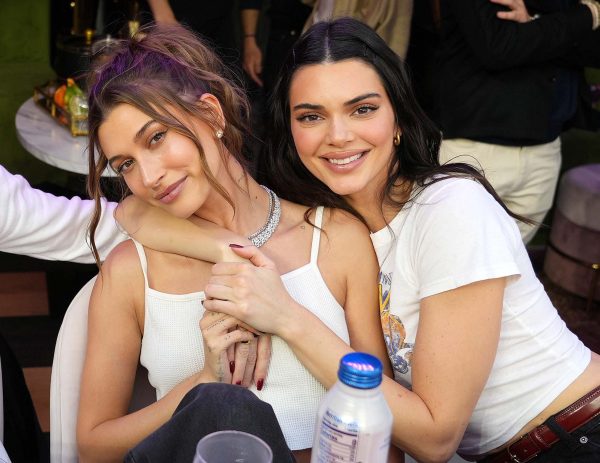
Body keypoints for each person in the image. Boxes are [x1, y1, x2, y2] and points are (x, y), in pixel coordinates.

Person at [130, 18, 600, 463]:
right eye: (311, 116)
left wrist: (285, 316)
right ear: (290, 130)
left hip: (577, 435)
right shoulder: (330, 219)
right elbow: (132, 212)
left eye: (363, 109)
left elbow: (435, 438)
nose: (338, 136)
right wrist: (231, 252)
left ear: (398, 119)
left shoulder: (449, 209)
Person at [76, 23, 393, 463]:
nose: (149, 177)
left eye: (157, 138)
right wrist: (204, 382)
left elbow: (382, 429)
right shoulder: (131, 271)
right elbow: (93, 446)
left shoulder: (335, 238)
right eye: (126, 164)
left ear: (211, 115)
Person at [435, 0, 600, 243]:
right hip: (476, 146)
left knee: (512, 263)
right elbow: (498, 46)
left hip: (545, 148)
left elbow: (593, 49)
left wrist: (535, 24)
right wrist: (588, 14)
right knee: (450, 254)